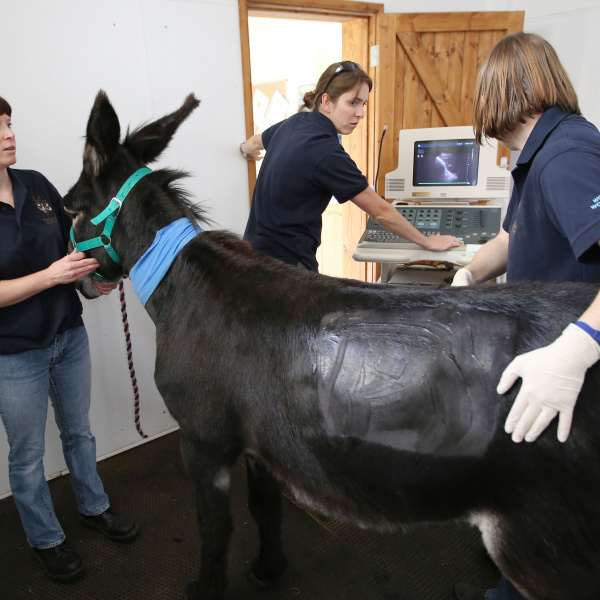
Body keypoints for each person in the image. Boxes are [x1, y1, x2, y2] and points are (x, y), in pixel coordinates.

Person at [449, 32, 600, 600]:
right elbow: (517, 234)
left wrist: (577, 347)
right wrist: (467, 275)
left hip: (573, 376)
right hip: (545, 352)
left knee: (552, 519)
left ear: (497, 95)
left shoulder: (567, 158)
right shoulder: (542, 153)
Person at [0, 97, 138, 583]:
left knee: (79, 431)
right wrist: (50, 276)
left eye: (9, 122)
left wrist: (98, 279)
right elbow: (44, 274)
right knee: (27, 454)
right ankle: (45, 538)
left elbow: (72, 251)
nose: (8, 133)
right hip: (13, 354)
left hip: (67, 337)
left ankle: (93, 507)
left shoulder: (35, 186)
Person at [240, 61, 462, 272]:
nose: (361, 113)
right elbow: (381, 212)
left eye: (363, 104)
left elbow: (254, 141)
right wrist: (427, 242)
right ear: (326, 102)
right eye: (353, 102)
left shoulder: (293, 123)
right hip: (286, 270)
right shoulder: (326, 151)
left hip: (249, 257)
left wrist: (245, 151)